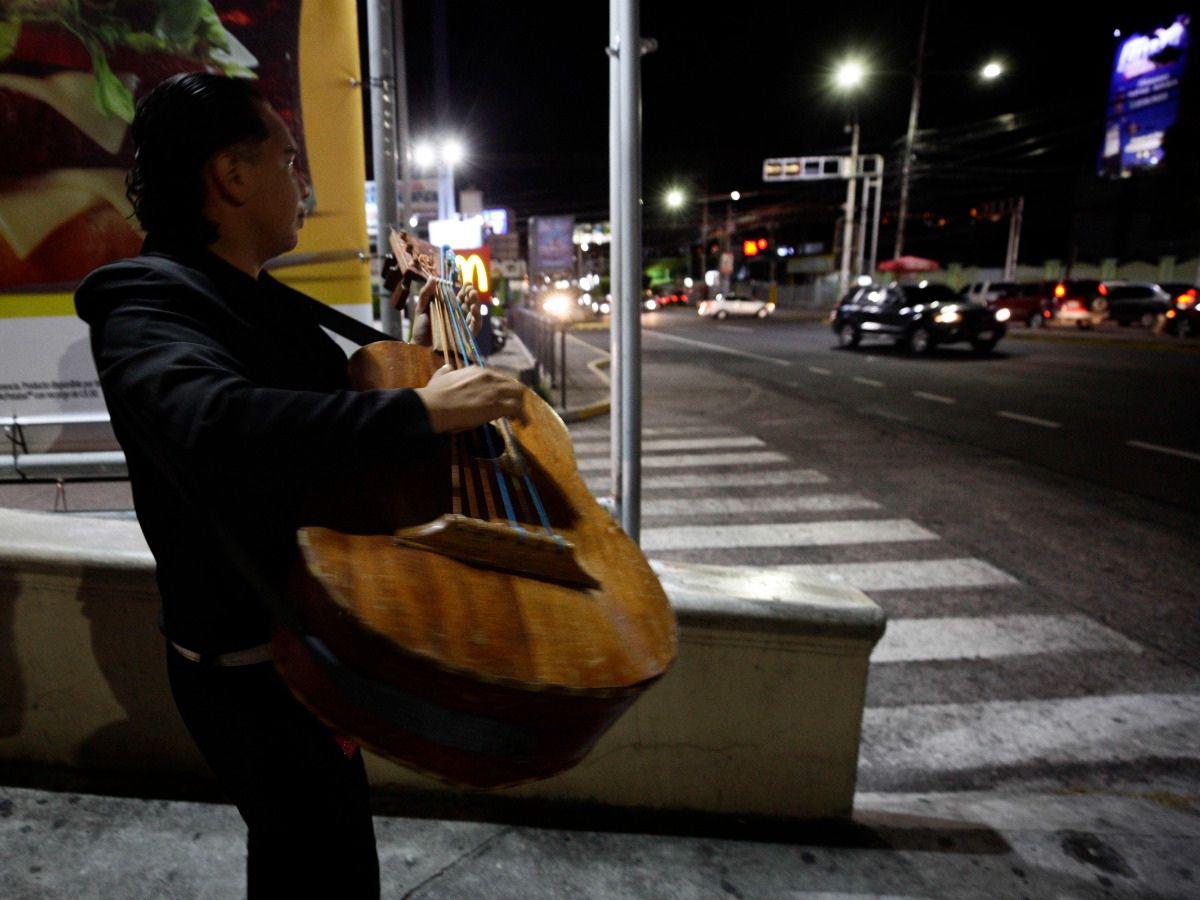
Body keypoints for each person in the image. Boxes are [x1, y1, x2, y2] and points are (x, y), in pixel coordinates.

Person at [74, 72, 522, 898]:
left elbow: (327, 412)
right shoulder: (144, 302)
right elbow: (217, 424)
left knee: (307, 860)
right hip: (254, 670)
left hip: (303, 641)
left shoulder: (243, 293)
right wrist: (420, 413)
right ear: (232, 176)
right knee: (326, 867)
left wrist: (419, 343)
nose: (304, 183)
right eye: (288, 158)